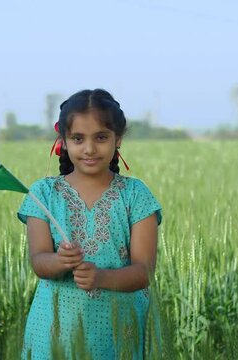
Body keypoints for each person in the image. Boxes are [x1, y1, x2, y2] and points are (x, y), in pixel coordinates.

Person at [17, 89, 162, 359]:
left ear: (118, 139)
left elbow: (145, 271)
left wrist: (101, 277)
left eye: (101, 137)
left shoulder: (136, 195)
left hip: (119, 330)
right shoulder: (44, 194)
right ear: (64, 141)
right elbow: (38, 261)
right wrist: (60, 261)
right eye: (78, 138)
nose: (89, 148)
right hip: (55, 330)